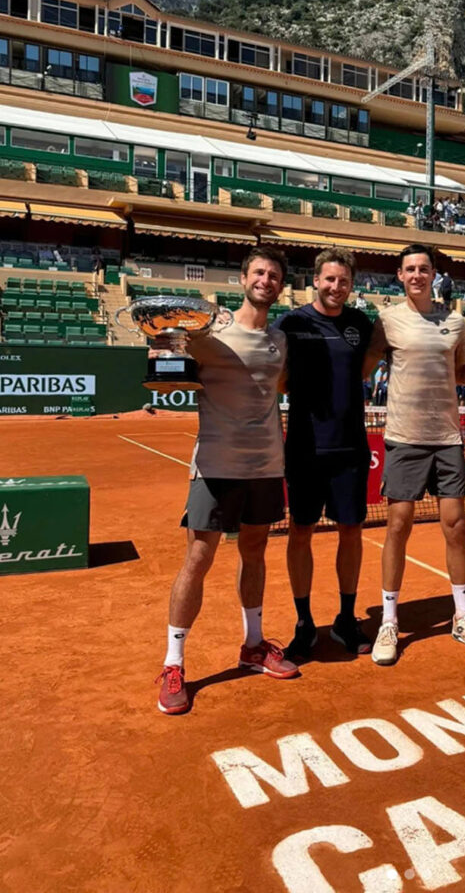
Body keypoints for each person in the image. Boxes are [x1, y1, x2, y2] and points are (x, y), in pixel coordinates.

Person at [155, 245, 297, 715]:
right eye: (259, 272)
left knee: (254, 552)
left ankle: (253, 644)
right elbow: (166, 354)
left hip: (265, 467)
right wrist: (161, 349)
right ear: (242, 279)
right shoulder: (206, 334)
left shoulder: (280, 342)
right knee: (198, 557)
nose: (266, 280)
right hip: (215, 465)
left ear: (280, 285)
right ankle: (174, 663)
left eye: (274, 275)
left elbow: (283, 388)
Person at [365, 244, 465, 666]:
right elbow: (363, 368)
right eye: (410, 269)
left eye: (424, 269)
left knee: (455, 526)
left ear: (434, 274)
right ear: (399, 275)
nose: (417, 275)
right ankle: (389, 621)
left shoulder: (455, 322)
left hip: (447, 437)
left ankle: (462, 616)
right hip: (404, 437)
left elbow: (460, 373)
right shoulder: (387, 320)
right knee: (398, 526)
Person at [276, 248, 374, 661]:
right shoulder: (292, 323)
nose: (337, 287)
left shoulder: (360, 324)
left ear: (352, 285)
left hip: (351, 447)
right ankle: (304, 623)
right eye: (330, 279)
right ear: (315, 280)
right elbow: (279, 379)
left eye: (344, 281)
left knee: (351, 532)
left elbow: (366, 368)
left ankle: (346, 619)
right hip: (304, 447)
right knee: (301, 531)